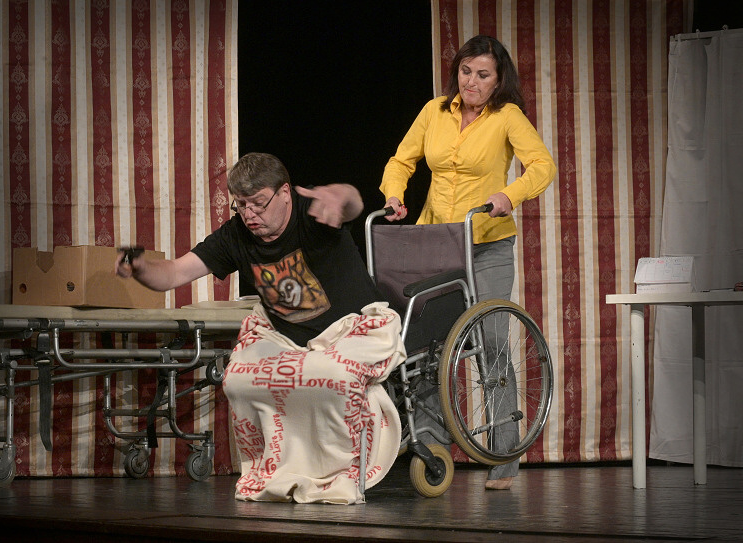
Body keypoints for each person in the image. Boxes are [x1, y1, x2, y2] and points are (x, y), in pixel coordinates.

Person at [116, 152, 406, 504]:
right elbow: (175, 273)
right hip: (289, 340)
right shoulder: (236, 235)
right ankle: (276, 470)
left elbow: (350, 203)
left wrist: (344, 195)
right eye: (241, 205)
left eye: (258, 203)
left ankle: (343, 474)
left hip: (351, 329)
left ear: (285, 193)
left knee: (332, 373)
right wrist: (141, 267)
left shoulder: (311, 212)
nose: (249, 214)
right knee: (238, 378)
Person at [380, 35, 557, 490]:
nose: (471, 82)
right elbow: (401, 160)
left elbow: (542, 166)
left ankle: (504, 458)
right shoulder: (434, 112)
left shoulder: (507, 116)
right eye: (465, 71)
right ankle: (433, 448)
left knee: (490, 343)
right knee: (428, 349)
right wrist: (394, 195)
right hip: (436, 243)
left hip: (487, 244)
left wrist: (509, 195)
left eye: (482, 75)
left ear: (498, 80)